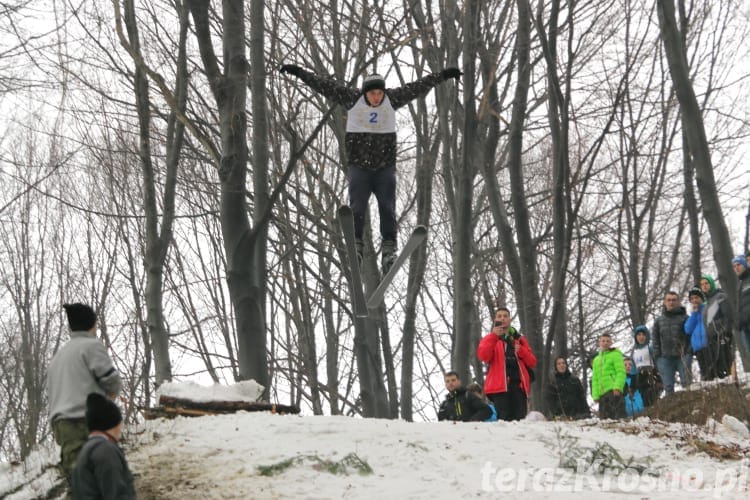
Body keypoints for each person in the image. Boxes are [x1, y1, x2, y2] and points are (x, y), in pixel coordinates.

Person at [279, 64, 461, 273]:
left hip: (384, 168)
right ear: (365, 93)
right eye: (373, 94)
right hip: (359, 167)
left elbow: (418, 86)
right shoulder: (352, 99)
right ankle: (356, 244)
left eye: (380, 94)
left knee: (387, 205)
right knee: (357, 205)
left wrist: (443, 75)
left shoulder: (392, 99)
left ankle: (389, 248)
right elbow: (324, 86)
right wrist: (299, 72)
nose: (376, 98)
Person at [47, 303, 122, 495]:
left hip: (62, 427)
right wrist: (111, 396)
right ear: (92, 325)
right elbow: (110, 379)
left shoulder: (58, 357)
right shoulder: (91, 345)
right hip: (84, 423)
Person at [476, 307, 537, 421]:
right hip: (500, 387)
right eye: (499, 316)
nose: (502, 319)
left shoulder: (519, 339)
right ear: (495, 320)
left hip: (519, 387)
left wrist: (521, 351)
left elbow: (532, 362)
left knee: (520, 420)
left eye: (505, 316)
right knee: (504, 420)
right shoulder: (491, 339)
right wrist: (494, 336)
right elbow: (483, 356)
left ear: (510, 319)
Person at [71, 393, 136, 499]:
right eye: (119, 422)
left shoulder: (84, 452)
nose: (121, 427)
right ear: (111, 424)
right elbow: (116, 494)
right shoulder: (106, 451)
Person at [651, 291, 690, 395]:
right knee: (668, 387)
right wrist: (657, 356)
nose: (671, 302)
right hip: (665, 358)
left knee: (687, 384)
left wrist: (688, 351)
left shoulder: (685, 318)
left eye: (674, 300)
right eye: (669, 300)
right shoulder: (659, 321)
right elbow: (655, 338)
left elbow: (689, 336)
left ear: (678, 302)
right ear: (664, 302)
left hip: (682, 356)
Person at [700, 274, 733, 378]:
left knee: (726, 364)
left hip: (722, 336)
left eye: (706, 283)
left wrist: (726, 332)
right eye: (702, 284)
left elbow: (727, 316)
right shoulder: (705, 304)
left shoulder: (720, 296)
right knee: (716, 367)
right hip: (711, 340)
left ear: (711, 284)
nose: (704, 286)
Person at [591, 333, 627, 419]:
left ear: (611, 343)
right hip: (602, 394)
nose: (605, 343)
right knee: (604, 420)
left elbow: (621, 372)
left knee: (618, 418)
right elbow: (595, 379)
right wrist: (595, 395)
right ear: (599, 343)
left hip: (613, 391)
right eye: (603, 341)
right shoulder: (596, 360)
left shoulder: (616, 355)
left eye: (608, 341)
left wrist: (617, 387)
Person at [684, 287, 714, 380]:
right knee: (704, 372)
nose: (694, 300)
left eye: (696, 297)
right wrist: (694, 313)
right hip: (698, 348)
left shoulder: (707, 309)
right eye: (692, 299)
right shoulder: (693, 314)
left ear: (701, 298)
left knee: (712, 371)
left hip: (709, 345)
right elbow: (688, 329)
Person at [629, 325, 660, 407]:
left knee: (652, 394)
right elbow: (633, 369)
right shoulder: (634, 351)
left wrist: (659, 376)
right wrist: (632, 386)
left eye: (643, 335)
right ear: (636, 337)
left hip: (650, 373)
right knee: (644, 396)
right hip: (640, 375)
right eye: (639, 335)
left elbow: (657, 361)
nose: (641, 337)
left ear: (646, 336)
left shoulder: (649, 347)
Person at [734, 255, 750, 356]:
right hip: (744, 326)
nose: (736, 267)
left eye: (739, 264)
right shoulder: (739, 284)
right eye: (734, 266)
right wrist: (738, 321)